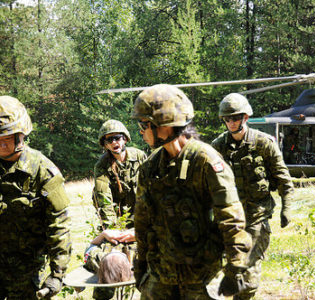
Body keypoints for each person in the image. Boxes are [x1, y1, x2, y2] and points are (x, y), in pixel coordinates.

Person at [131, 84, 252, 299]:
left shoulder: (206, 161)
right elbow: (142, 221)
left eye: (144, 124)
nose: (140, 131)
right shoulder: (150, 168)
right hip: (161, 276)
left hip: (201, 276)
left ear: (165, 124)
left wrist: (235, 268)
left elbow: (231, 219)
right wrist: (140, 263)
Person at [0, 96, 72, 299]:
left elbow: (59, 224)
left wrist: (57, 274)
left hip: (27, 270)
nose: (0, 145)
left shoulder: (43, 171)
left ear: (22, 134)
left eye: (6, 139)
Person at [211, 93, 295, 299]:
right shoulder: (218, 146)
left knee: (247, 273)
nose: (231, 123)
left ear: (245, 117)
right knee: (230, 266)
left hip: (257, 215)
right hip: (230, 217)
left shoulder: (263, 143)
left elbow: (284, 179)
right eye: (227, 119)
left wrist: (287, 207)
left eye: (235, 118)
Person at [89, 119, 147, 299]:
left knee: (148, 271)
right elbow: (104, 199)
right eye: (109, 140)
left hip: (142, 222)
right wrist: (114, 232)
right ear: (105, 145)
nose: (114, 143)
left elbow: (150, 191)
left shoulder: (140, 157)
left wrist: (141, 228)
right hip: (116, 224)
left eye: (117, 138)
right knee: (108, 266)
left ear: (125, 139)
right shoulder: (102, 166)